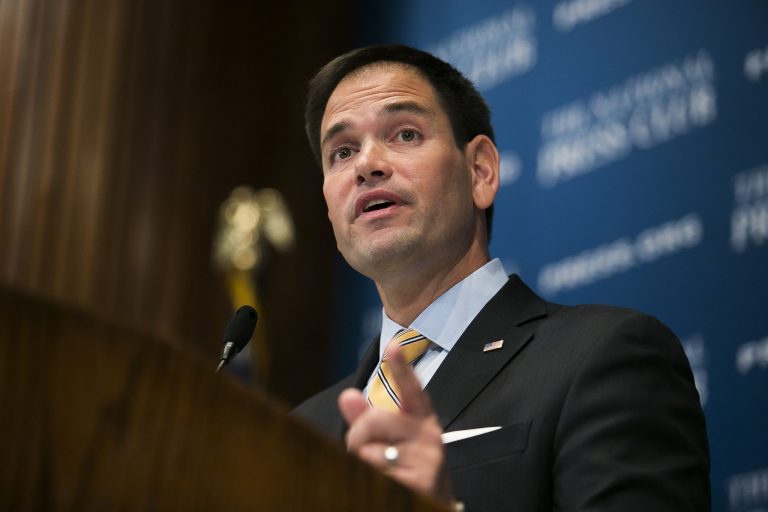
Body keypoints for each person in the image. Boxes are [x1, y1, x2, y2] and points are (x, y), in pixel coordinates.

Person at [295, 44, 710, 512]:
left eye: (405, 134)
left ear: (481, 171)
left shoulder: (605, 357)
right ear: (329, 208)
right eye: (342, 151)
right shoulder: (296, 432)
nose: (367, 164)